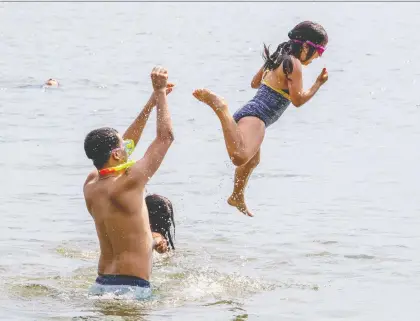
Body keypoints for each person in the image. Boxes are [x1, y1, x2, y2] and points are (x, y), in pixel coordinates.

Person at [192, 21, 329, 217]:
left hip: (251, 111)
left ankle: (236, 196)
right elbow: (298, 100)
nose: (318, 57)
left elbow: (254, 83)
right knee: (239, 157)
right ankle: (221, 107)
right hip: (258, 117)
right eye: (319, 51)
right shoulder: (295, 64)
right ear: (306, 46)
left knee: (252, 160)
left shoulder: (278, 58)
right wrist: (317, 84)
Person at [83, 66, 174, 299]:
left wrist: (152, 102)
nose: (127, 146)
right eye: (122, 146)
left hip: (100, 285)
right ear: (115, 154)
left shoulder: (91, 184)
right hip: (132, 289)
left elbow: (127, 145)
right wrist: (161, 92)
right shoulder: (129, 182)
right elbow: (165, 138)